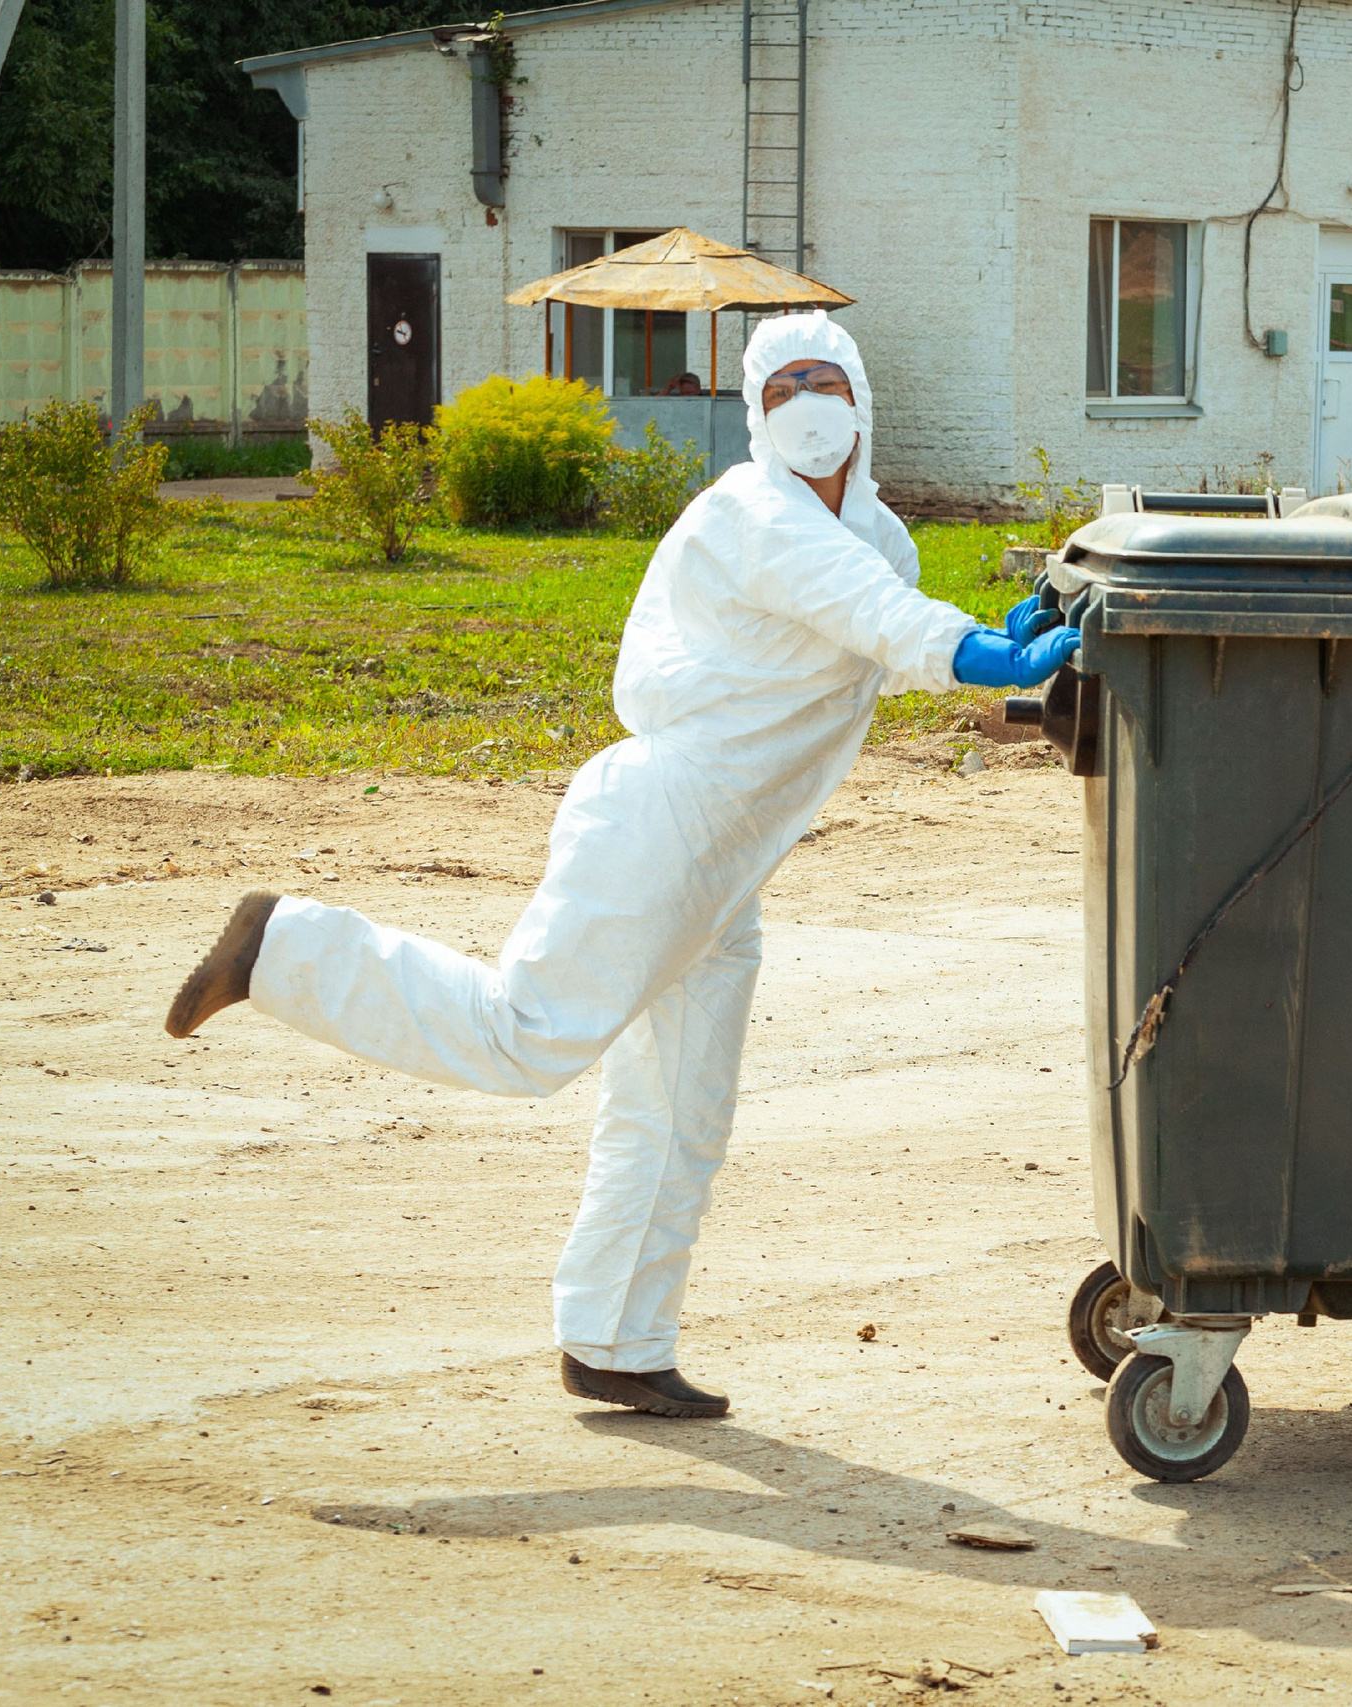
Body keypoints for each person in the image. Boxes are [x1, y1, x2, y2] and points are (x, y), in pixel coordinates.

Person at [161, 314, 1076, 1419]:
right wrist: (985, 654)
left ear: (861, 398)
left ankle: (616, 1342)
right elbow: (880, 621)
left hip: (728, 858)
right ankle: (287, 947)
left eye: (825, 380)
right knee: (526, 1036)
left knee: (683, 1108)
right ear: (756, 409)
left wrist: (995, 629)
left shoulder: (875, 531)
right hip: (662, 821)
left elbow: (874, 619)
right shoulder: (750, 513)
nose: (810, 403)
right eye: (784, 385)